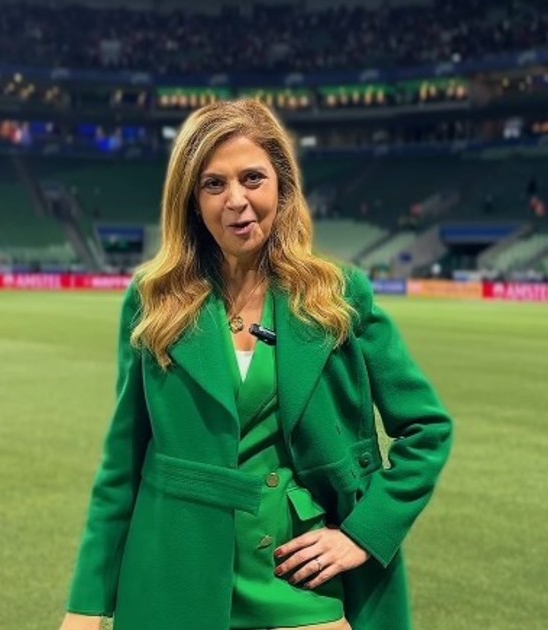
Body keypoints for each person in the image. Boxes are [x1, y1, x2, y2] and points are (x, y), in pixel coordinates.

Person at [59, 99, 454, 630]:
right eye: (213, 184)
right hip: (175, 570)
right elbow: (122, 464)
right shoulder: (152, 300)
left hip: (299, 577)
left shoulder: (339, 296)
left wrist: (363, 533)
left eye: (252, 178)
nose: (236, 201)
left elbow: (427, 428)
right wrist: (86, 604)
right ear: (191, 200)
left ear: (282, 187)